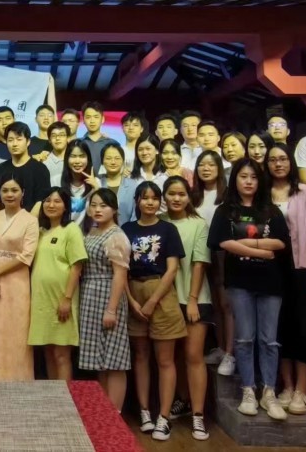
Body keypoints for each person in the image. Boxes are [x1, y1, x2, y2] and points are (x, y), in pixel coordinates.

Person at [208, 158, 289, 421]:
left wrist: (246, 243)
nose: (249, 182)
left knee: (270, 340)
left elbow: (281, 243)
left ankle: (269, 392)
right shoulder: (225, 211)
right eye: (243, 176)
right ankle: (248, 391)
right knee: (244, 339)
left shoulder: (271, 210)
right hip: (239, 283)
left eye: (253, 177)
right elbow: (221, 242)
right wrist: (260, 250)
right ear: (235, 180)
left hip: (270, 283)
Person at [122, 181, 186, 441]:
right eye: (144, 197)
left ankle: (164, 417)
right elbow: (121, 269)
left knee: (165, 360)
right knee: (140, 356)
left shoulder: (168, 229)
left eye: (154, 198)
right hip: (133, 291)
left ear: (160, 201)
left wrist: (152, 301)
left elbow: (172, 269)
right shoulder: (126, 229)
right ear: (137, 201)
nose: (149, 202)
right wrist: (131, 301)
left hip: (161, 293)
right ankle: (145, 412)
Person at [266, 144, 306, 416]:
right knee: (279, 328)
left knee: (303, 327)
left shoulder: (304, 192)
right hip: (270, 269)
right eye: (272, 160)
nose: (278, 164)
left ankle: (302, 389)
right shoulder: (262, 194)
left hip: (301, 267)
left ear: (290, 162)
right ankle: (287, 386)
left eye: (282, 159)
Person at [162, 177, 212, 440]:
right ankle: (182, 399)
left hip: (194, 297)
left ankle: (198, 414)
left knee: (193, 355)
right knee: (174, 356)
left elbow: (199, 263)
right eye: (171, 193)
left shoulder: (198, 224)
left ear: (189, 197)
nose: (176, 198)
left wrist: (192, 299)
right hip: (165, 299)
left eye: (181, 194)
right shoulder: (159, 221)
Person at [79, 189, 131, 410]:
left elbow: (120, 274)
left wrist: (111, 309)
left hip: (107, 294)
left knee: (114, 359)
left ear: (114, 209)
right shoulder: (92, 231)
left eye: (103, 206)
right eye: (94, 205)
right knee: (99, 360)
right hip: (89, 295)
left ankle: (115, 412)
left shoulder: (116, 236)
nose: (98, 210)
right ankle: (103, 410)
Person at [28, 188, 88, 381]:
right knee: (48, 353)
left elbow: (77, 266)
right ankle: (54, 395)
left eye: (57, 201)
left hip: (62, 299)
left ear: (65, 207)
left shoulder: (71, 229)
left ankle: (65, 396)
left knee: (61, 355)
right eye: (47, 201)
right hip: (42, 302)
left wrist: (67, 298)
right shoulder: (40, 232)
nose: (51, 205)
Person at [0, 175, 39, 381]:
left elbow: (26, 256)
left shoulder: (30, 220)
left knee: (17, 332)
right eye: (5, 190)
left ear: (22, 193)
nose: (9, 194)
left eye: (14, 190)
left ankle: (19, 383)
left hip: (17, 281)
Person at [192, 151, 235, 375]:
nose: (206, 168)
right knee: (214, 303)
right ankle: (220, 346)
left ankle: (230, 353)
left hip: (222, 252)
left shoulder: (228, 195)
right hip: (200, 253)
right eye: (202, 165)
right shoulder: (193, 195)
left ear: (219, 168)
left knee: (226, 303)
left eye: (211, 164)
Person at [0, 122, 51, 214]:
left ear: (28, 142)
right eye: (10, 140)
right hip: (3, 221)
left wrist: (27, 221)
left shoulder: (40, 169)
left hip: (31, 220)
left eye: (19, 139)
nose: (14, 144)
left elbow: (40, 202)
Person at [98, 143, 140, 224]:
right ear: (102, 161)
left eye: (117, 158)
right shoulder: (98, 184)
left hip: (127, 230)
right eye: (108, 158)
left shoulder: (133, 185)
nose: (113, 162)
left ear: (123, 161)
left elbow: (135, 215)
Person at [61, 140, 99, 225]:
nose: (77, 161)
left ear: (88, 159)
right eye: (73, 156)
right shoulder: (56, 180)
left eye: (82, 156)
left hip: (88, 232)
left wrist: (96, 188)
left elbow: (100, 213)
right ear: (66, 159)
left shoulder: (96, 182)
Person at [81, 101, 116, 170]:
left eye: (96, 117)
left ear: (102, 119)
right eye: (88, 117)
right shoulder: (78, 143)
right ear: (83, 120)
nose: (92, 121)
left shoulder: (112, 144)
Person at [45, 121, 70, 187]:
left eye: (61, 135)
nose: (57, 138)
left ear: (68, 138)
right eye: (54, 136)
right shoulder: (44, 163)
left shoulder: (75, 160)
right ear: (49, 140)